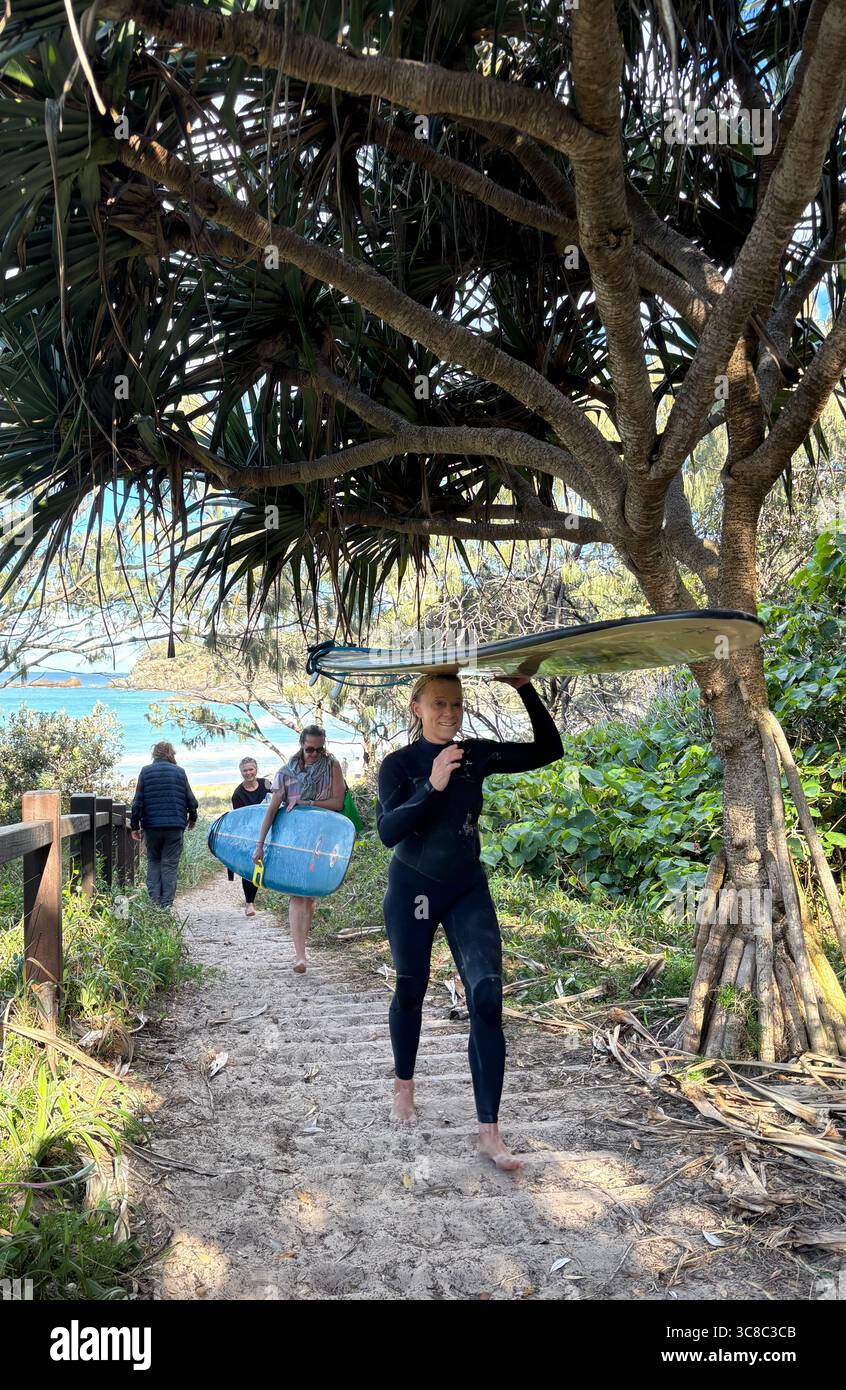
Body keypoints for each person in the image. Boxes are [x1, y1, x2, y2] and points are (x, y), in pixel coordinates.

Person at [376, 672, 563, 1170]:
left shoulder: (475, 755)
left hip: (465, 888)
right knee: (411, 989)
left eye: (457, 705)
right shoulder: (398, 765)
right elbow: (388, 831)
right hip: (413, 890)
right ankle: (404, 1085)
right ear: (416, 707)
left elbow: (549, 750)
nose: (449, 713)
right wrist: (432, 786)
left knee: (486, 996)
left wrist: (524, 688)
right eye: (439, 703)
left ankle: (489, 1134)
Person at [252, 725, 345, 972]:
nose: (315, 754)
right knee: (297, 893)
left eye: (319, 749)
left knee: (309, 895)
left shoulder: (332, 766)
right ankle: (300, 955)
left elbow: (337, 802)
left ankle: (302, 950)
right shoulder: (286, 773)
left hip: (322, 838)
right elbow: (272, 810)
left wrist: (307, 803)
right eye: (310, 749)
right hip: (294, 840)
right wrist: (259, 845)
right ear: (301, 745)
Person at [130, 741, 198, 909]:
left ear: (154, 754)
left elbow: (137, 803)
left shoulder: (145, 772)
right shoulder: (179, 772)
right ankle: (166, 905)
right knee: (169, 865)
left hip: (152, 827)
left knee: (154, 862)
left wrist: (134, 826)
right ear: (171, 754)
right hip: (174, 827)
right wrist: (192, 819)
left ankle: (154, 904)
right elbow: (192, 801)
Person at [227, 756, 272, 917]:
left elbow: (277, 800)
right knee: (250, 867)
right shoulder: (238, 794)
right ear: (241, 772)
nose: (248, 773)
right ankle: (250, 903)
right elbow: (241, 820)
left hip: (270, 830)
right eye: (245, 770)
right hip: (250, 834)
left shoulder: (266, 784)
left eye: (251, 769)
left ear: (256, 769)